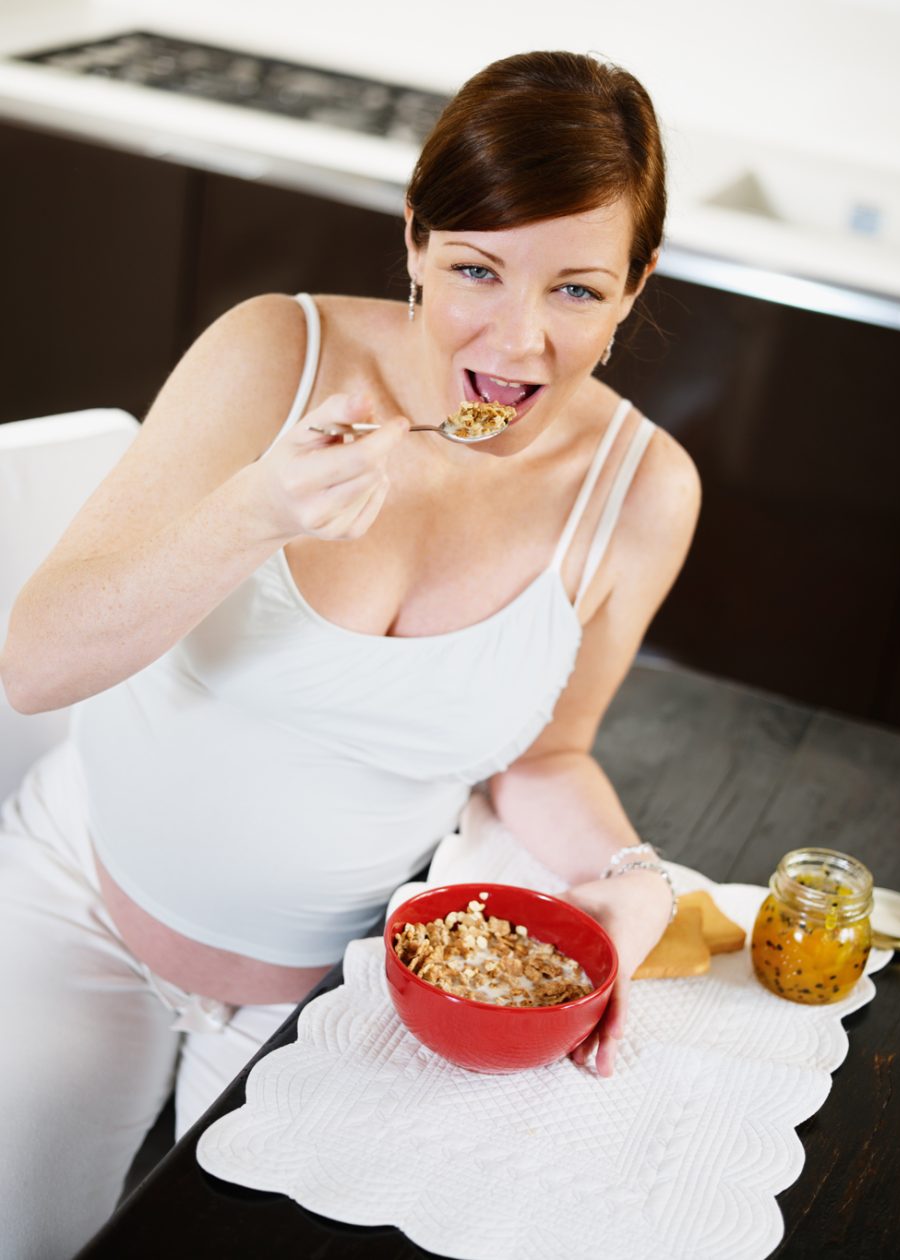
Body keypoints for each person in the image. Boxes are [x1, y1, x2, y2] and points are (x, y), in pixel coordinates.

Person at [0, 48, 700, 1257]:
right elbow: (34, 667)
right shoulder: (274, 353)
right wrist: (254, 512)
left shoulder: (642, 495)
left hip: (332, 1006)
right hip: (79, 899)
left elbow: (547, 755)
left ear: (635, 286)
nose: (519, 341)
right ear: (416, 238)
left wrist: (635, 877)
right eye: (476, 269)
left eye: (577, 290)